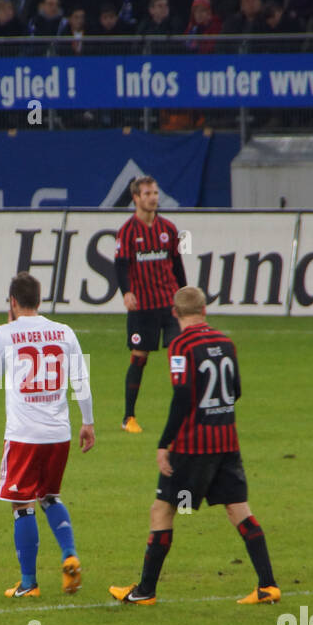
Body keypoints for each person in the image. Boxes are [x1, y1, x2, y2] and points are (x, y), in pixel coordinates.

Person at [110, 287, 281, 606]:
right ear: (204, 310)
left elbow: (183, 396)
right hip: (227, 442)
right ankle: (268, 585)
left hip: (193, 446)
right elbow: (237, 390)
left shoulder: (181, 346)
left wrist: (165, 444)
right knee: (238, 509)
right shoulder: (226, 343)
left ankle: (145, 591)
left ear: (174, 314)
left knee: (162, 510)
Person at [0, 272, 95, 599]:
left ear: (13, 302)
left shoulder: (5, 333)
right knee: (49, 496)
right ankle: (69, 553)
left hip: (24, 435)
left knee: (22, 505)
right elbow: (81, 379)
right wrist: (87, 422)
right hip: (58, 434)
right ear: (40, 300)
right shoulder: (64, 331)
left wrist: (3, 339)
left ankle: (29, 583)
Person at [115, 176, 187, 434]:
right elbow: (121, 266)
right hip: (142, 308)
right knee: (139, 358)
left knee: (179, 355)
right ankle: (128, 417)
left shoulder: (169, 229)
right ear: (136, 198)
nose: (153, 197)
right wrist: (126, 292)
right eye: (147, 193)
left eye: (155, 193)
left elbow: (178, 266)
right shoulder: (127, 232)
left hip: (169, 306)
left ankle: (185, 415)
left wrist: (185, 297)